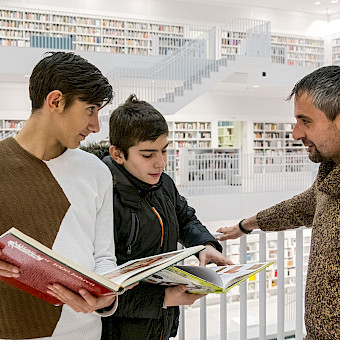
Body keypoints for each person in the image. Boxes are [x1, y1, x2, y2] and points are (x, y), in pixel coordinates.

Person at [216, 65, 340, 340]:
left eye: (305, 121)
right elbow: (301, 206)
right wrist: (246, 225)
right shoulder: (330, 178)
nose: (295, 134)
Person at [0, 52, 118, 340]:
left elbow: (104, 258)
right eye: (90, 109)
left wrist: (108, 299)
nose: (96, 126)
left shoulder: (97, 172)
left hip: (84, 332)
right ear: (55, 101)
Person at [98, 94, 230, 340]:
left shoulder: (164, 184)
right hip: (121, 331)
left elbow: (185, 218)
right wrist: (164, 298)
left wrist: (205, 245)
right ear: (117, 154)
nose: (160, 163)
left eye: (164, 151)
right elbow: (100, 287)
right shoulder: (104, 196)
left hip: (162, 325)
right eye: (148, 155)